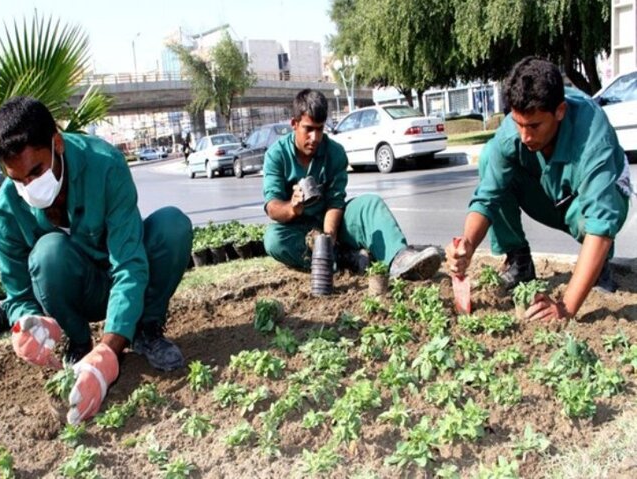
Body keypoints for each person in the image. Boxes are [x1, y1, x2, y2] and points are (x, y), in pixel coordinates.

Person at [0, 96, 193, 425]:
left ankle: (145, 330)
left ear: (57, 143)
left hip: (128, 287)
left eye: (36, 171)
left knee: (173, 226)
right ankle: (80, 344)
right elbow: (18, 296)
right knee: (47, 253)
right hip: (79, 294)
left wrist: (109, 352)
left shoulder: (105, 165)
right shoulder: (6, 211)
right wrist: (27, 326)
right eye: (17, 179)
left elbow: (128, 263)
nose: (29, 187)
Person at [446, 57, 632, 321]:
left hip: (598, 201)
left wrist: (565, 307)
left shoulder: (592, 134)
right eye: (519, 123)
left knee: (588, 220)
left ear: (560, 111)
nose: (525, 136)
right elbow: (487, 197)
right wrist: (466, 245)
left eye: (534, 126)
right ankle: (519, 260)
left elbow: (601, 225)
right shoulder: (515, 131)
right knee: (490, 157)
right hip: (550, 194)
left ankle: (598, 266)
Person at [262, 88, 441, 280]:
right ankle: (344, 259)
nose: (315, 138)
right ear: (294, 124)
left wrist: (329, 238)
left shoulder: (335, 152)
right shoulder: (276, 155)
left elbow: (335, 202)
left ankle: (399, 258)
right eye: (308, 129)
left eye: (320, 129)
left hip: (334, 224)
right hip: (300, 230)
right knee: (274, 240)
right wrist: (292, 208)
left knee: (370, 204)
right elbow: (272, 207)